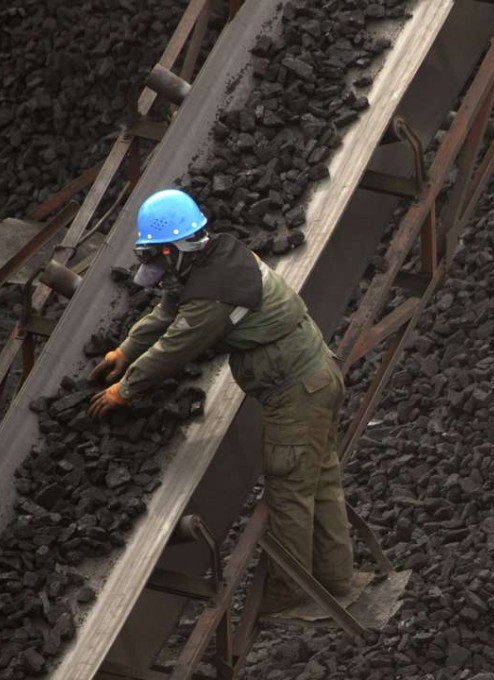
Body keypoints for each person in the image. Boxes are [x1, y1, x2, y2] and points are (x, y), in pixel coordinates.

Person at [88, 188, 353, 615]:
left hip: (298, 392)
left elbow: (176, 346)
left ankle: (288, 595)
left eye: (156, 257)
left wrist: (126, 388)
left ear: (173, 250)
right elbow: (165, 312)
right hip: (314, 376)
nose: (155, 268)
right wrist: (124, 350)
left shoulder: (215, 294)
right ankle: (337, 578)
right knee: (320, 477)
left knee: (290, 490)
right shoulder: (217, 256)